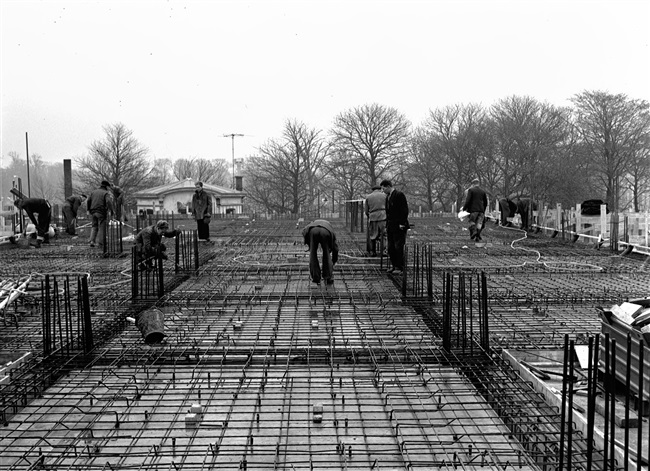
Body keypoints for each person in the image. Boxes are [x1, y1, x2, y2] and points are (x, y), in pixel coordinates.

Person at [381, 179, 409, 274]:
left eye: (383, 188)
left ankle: (400, 267)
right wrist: (386, 226)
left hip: (398, 226)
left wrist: (402, 223)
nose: (383, 190)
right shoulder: (388, 197)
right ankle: (394, 265)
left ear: (388, 186)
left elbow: (404, 210)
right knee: (390, 247)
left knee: (398, 247)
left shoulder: (399, 195)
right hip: (391, 226)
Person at [302, 219, 339, 286]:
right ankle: (327, 277)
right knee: (326, 253)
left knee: (313, 254)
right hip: (325, 232)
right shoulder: (330, 228)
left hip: (313, 231)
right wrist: (333, 261)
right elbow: (335, 249)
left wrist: (310, 246)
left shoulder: (311, 224)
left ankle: (316, 278)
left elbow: (304, 232)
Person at [87, 180, 114, 248]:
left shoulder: (93, 192)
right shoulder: (106, 193)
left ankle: (92, 241)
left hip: (93, 211)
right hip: (101, 212)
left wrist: (88, 209)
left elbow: (88, 200)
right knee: (102, 227)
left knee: (94, 226)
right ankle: (101, 243)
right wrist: (112, 211)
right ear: (106, 186)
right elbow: (108, 202)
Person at [365, 184, 386, 257]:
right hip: (383, 216)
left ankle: (372, 251)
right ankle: (383, 251)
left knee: (373, 235)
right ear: (380, 189)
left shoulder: (368, 197)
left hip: (373, 217)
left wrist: (370, 216)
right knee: (383, 235)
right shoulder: (385, 196)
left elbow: (366, 211)